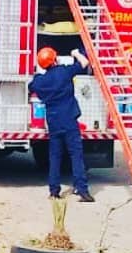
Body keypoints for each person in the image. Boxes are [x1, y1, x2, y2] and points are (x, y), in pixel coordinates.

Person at [28, 45, 95, 201]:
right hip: (70, 119)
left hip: (54, 122)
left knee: (55, 156)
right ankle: (82, 190)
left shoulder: (40, 81)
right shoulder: (64, 72)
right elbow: (85, 63)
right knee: (76, 155)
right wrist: (76, 53)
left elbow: (31, 85)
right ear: (55, 60)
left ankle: (54, 192)